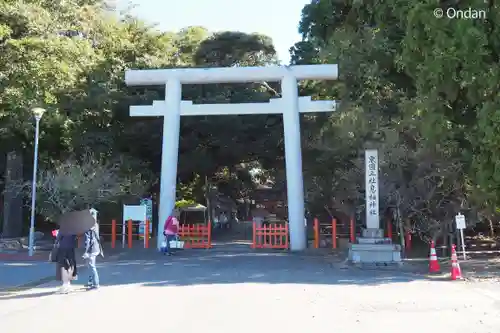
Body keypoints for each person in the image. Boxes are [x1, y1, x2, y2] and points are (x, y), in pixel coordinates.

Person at [83, 223, 103, 290]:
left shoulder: (87, 227)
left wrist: (86, 252)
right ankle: (90, 282)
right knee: (89, 265)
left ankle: (96, 284)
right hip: (96, 248)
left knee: (91, 266)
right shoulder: (95, 224)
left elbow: (88, 241)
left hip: (91, 250)